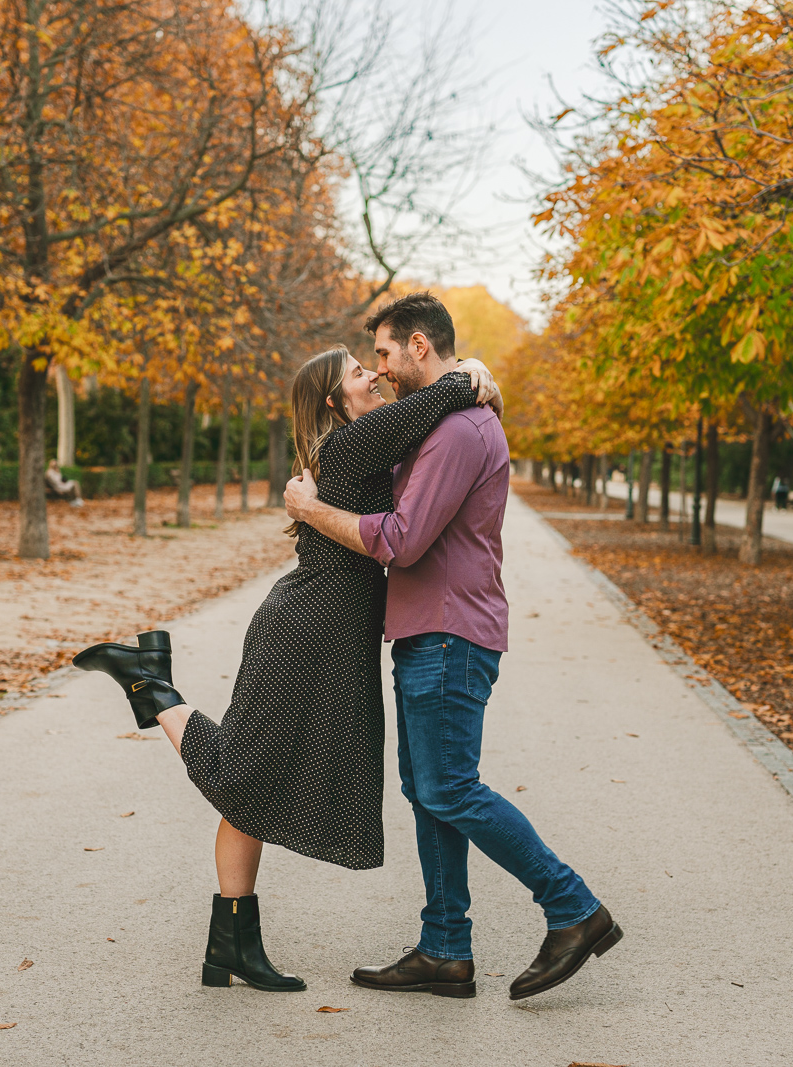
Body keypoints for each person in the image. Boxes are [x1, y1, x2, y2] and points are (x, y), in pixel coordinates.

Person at [72, 343, 500, 993]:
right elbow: (437, 397)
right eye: (361, 373)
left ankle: (231, 950)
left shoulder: (359, 444)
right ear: (335, 401)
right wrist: (471, 372)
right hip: (301, 632)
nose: (375, 376)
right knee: (244, 775)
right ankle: (150, 684)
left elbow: (423, 426)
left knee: (254, 787)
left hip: (326, 632)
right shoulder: (349, 444)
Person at [284, 291, 622, 1003]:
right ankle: (444, 947)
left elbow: (402, 540)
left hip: (448, 631)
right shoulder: (442, 417)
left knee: (450, 786)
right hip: (428, 630)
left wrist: (314, 511)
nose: (377, 369)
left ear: (417, 346)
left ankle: (574, 908)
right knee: (429, 790)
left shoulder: (457, 431)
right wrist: (470, 369)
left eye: (381, 353)